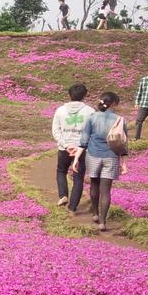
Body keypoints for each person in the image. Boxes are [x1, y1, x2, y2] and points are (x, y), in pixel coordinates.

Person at [72, 92, 128, 231]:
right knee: (106, 191)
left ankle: (96, 214)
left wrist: (76, 158)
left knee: (94, 186)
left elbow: (83, 141)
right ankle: (103, 221)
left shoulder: (92, 117)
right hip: (111, 157)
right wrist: (124, 163)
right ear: (114, 103)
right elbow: (123, 144)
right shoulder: (120, 120)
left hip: (93, 155)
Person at [51, 83, 95, 211]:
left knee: (61, 171)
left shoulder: (60, 110)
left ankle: (63, 195)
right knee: (78, 177)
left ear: (69, 95)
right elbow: (93, 132)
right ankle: (72, 207)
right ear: (85, 95)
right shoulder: (90, 111)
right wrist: (80, 146)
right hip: (82, 149)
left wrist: (66, 145)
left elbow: (56, 130)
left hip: (64, 148)